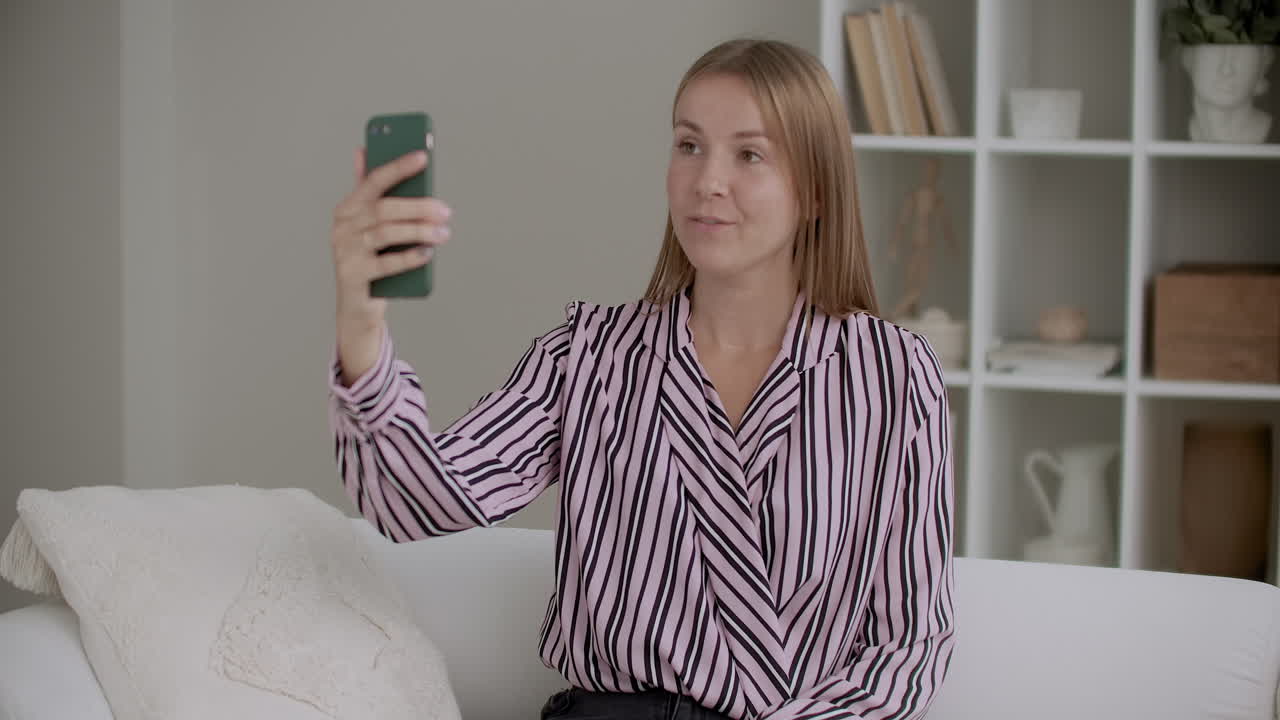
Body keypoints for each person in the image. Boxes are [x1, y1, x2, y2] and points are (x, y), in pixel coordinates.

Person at [327, 37, 956, 720]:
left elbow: (908, 648)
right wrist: (361, 320)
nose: (707, 181)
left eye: (749, 154)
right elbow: (415, 501)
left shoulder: (894, 376)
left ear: (816, 191)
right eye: (689, 145)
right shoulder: (588, 355)